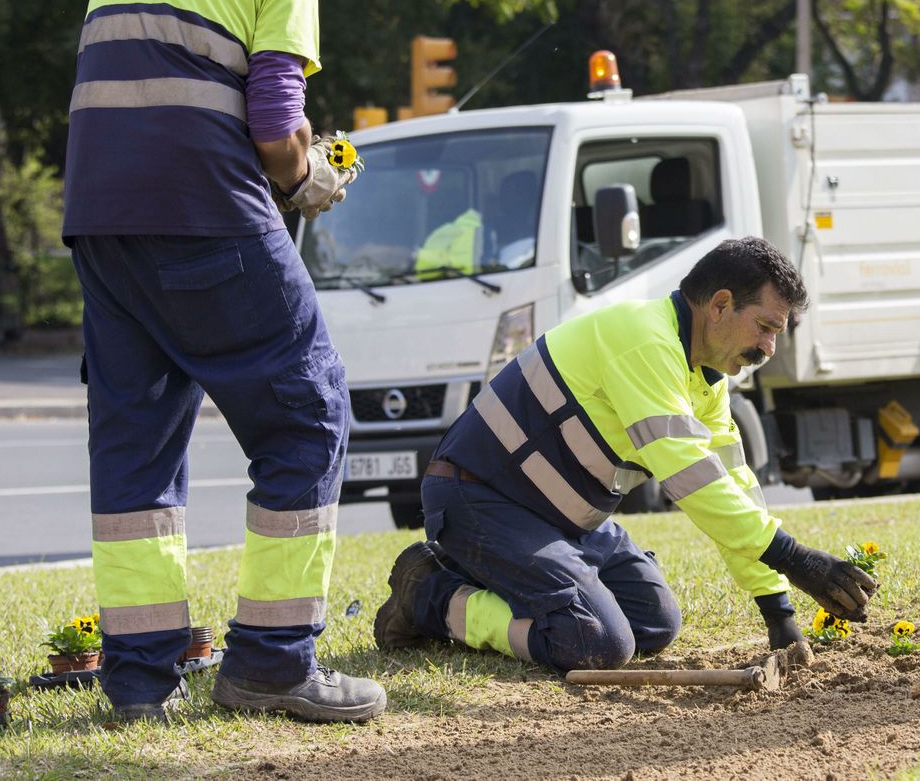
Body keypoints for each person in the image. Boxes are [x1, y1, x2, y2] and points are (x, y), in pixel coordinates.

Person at [61, 0, 382, 724]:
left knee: (136, 457)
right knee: (309, 415)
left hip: (101, 221)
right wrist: (309, 175)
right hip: (206, 215)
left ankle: (136, 683)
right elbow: (275, 118)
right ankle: (274, 665)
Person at [372, 237, 878, 671]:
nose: (769, 347)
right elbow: (691, 480)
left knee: (654, 623)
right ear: (720, 305)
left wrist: (778, 611)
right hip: (478, 500)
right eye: (766, 327)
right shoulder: (645, 341)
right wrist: (794, 558)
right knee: (597, 641)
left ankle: (480, 574)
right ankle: (430, 596)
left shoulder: (704, 376)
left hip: (557, 519)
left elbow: (731, 485)